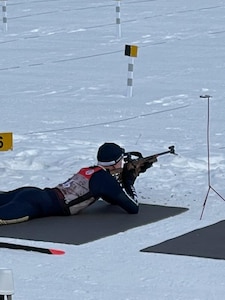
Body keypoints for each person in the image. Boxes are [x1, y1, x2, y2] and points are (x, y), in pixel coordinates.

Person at [0, 142, 151, 225]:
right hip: (36, 204)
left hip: (34, 193)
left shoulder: (90, 170)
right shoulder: (105, 179)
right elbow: (133, 207)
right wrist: (129, 179)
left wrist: (124, 178)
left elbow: (112, 198)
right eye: (122, 161)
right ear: (115, 163)